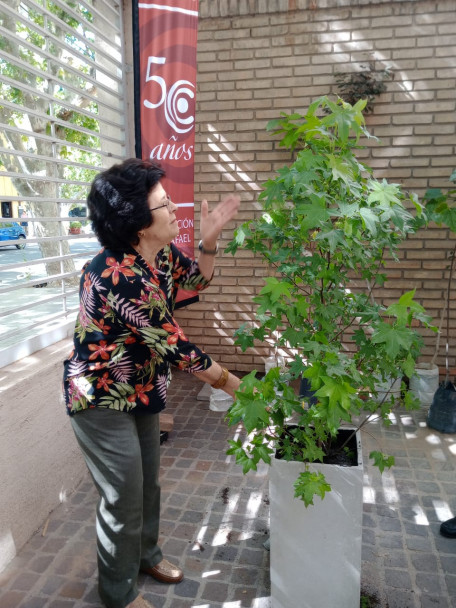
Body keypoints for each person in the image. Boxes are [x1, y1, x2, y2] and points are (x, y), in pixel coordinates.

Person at [63, 158, 241, 608]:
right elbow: (178, 349)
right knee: (123, 495)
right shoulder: (116, 276)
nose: (175, 208)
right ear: (139, 225)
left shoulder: (156, 254)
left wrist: (209, 240)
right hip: (100, 396)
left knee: (148, 486)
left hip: (139, 386)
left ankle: (146, 556)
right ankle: (117, 594)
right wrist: (241, 387)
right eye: (165, 203)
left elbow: (197, 279)